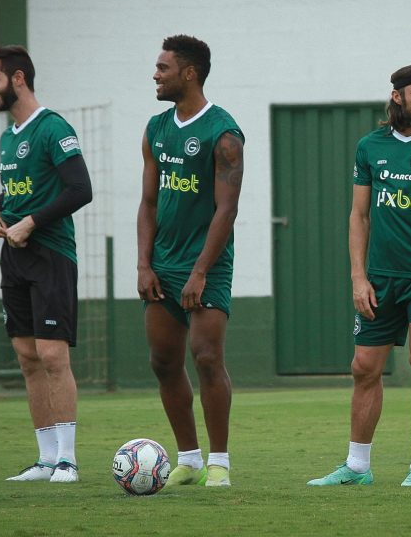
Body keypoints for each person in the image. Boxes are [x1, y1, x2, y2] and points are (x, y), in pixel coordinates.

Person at [307, 62, 411, 488]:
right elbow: (358, 216)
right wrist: (359, 278)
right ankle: (357, 466)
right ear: (397, 96)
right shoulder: (370, 147)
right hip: (380, 278)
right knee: (363, 367)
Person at [137, 35, 244, 488]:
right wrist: (144, 264)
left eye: (162, 68)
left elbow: (227, 208)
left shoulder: (223, 133)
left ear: (189, 73)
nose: (155, 75)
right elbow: (148, 203)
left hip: (208, 264)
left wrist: (200, 271)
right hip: (162, 264)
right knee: (163, 362)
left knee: (205, 356)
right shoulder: (155, 129)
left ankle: (219, 462)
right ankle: (189, 459)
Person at [0, 45, 93, 483]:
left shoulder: (53, 128)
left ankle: (68, 459)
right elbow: (16, 187)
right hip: (14, 256)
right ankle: (45, 458)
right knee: (27, 357)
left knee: (52, 355)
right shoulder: (8, 136)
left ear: (18, 79)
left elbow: (79, 189)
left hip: (51, 255)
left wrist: (31, 222)